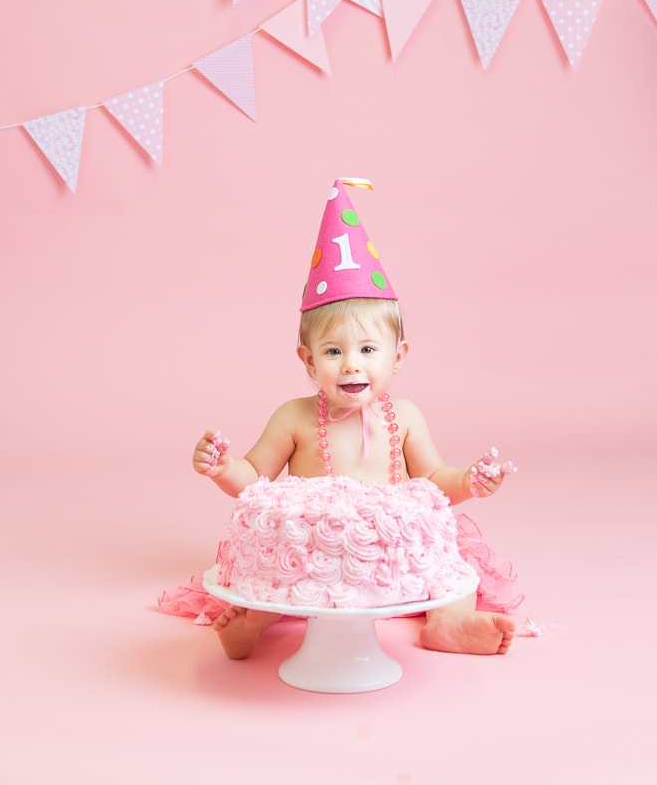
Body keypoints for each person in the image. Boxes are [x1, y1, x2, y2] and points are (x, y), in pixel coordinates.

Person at [185, 179, 520, 660]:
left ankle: (447, 625)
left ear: (398, 355)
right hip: (309, 561)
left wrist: (470, 480)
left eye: (367, 349)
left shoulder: (404, 416)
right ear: (307, 359)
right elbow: (255, 481)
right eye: (333, 351)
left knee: (449, 572)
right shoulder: (294, 417)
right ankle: (249, 630)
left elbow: (434, 483)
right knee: (273, 582)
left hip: (391, 554)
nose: (351, 365)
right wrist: (223, 467)